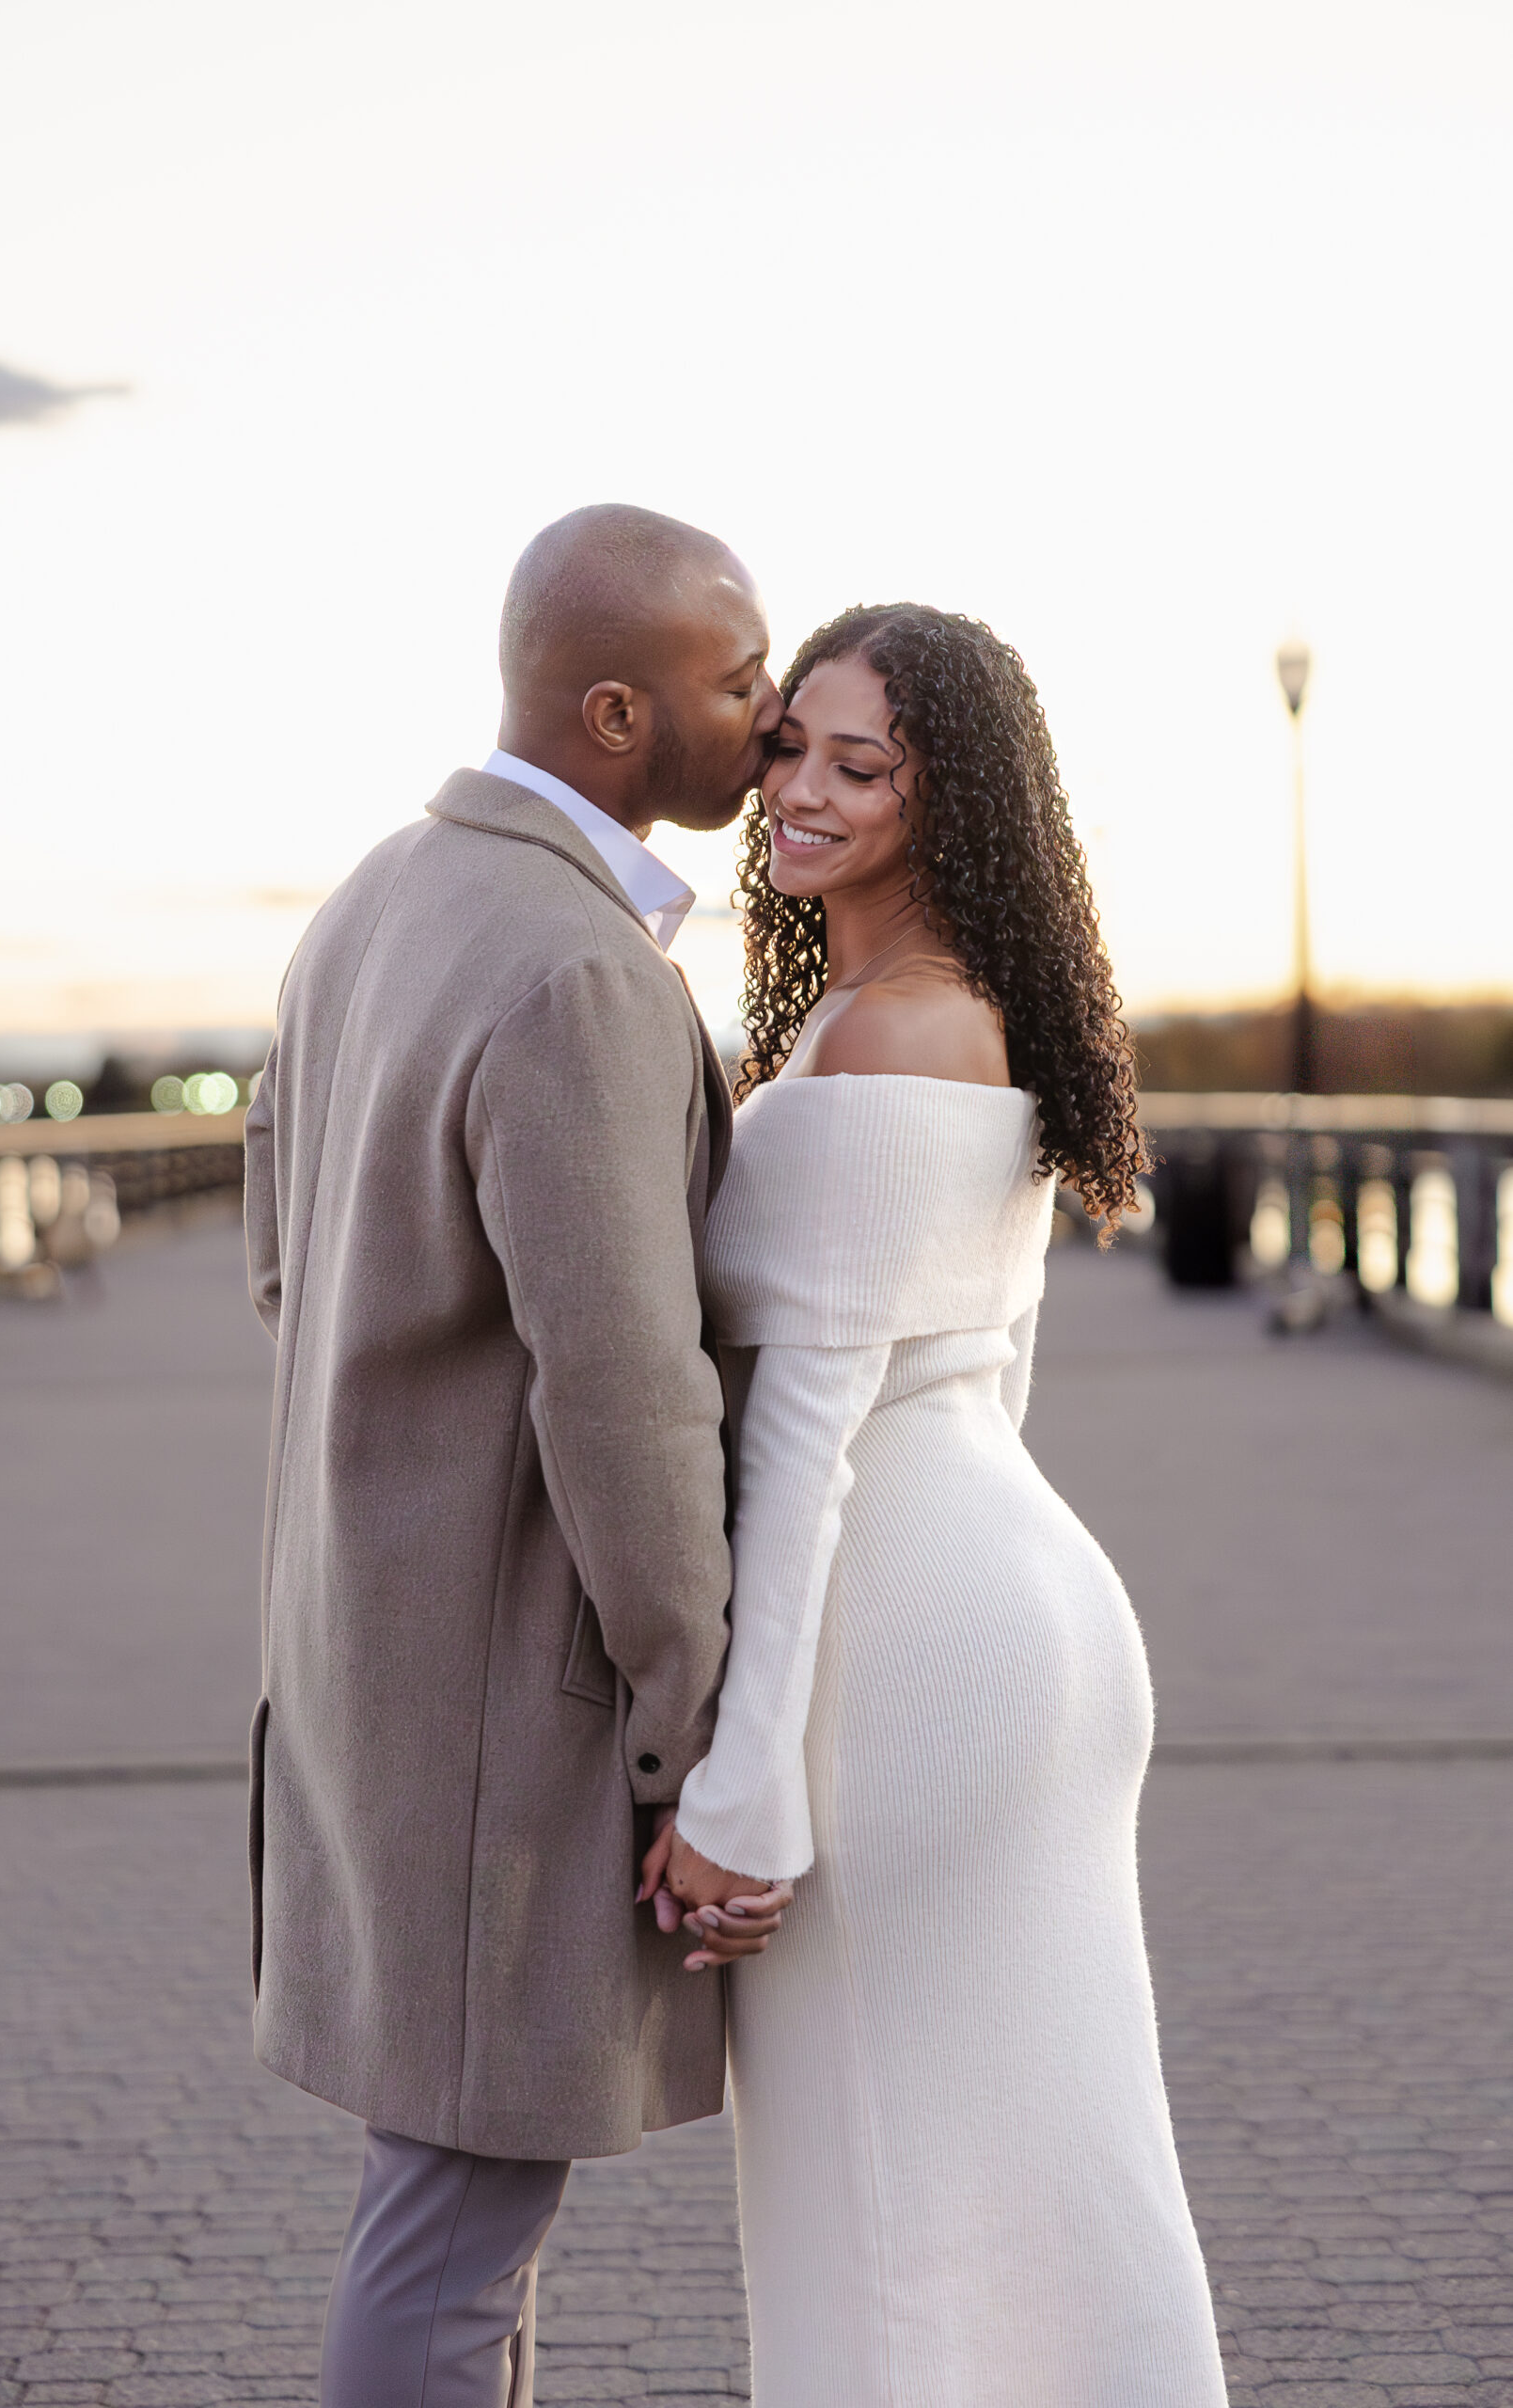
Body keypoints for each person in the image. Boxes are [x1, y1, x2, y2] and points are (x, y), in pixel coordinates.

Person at [640, 605, 1230, 2405]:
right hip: (1010, 1601)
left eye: (860, 765)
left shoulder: (891, 1036)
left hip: (899, 1654)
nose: (801, 791)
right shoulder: (944, 1018)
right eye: (786, 748)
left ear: (946, 799)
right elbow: (994, 1360)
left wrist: (741, 1795)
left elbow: (805, 1433)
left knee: (878, 2206)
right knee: (1048, 2177)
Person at [243, 503, 791, 2407]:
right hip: (498, 1708)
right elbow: (625, 1392)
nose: (771, 708)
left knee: (466, 2201)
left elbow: (276, 1256)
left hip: (363, 1661)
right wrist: (694, 1710)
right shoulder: (573, 973)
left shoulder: (372, 900)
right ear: (620, 712)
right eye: (738, 679)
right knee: (456, 2218)